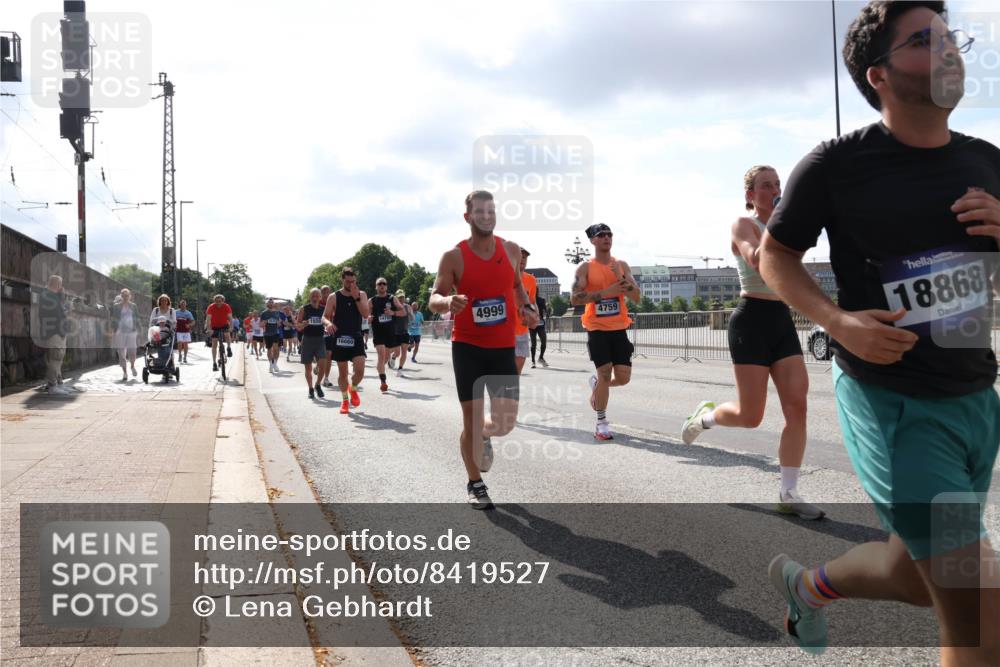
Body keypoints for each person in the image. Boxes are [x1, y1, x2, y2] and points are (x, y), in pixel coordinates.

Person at [758, 2, 1000, 661]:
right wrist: (838, 322)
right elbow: (774, 256)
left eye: (954, 39)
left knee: (917, 576)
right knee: (980, 607)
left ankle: (808, 587)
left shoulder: (987, 162)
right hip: (893, 402)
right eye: (927, 41)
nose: (950, 51)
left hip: (975, 401)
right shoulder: (836, 164)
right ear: (880, 75)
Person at [681, 166, 823, 521]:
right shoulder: (745, 226)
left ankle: (788, 492)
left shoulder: (786, 229)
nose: (774, 189)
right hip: (751, 320)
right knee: (751, 416)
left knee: (798, 409)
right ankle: (706, 417)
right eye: (766, 185)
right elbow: (761, 260)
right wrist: (785, 228)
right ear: (750, 195)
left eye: (778, 184)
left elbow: (795, 276)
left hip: (781, 320)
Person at [429, 190, 537, 509]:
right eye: (480, 211)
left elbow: (516, 287)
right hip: (468, 348)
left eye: (491, 210)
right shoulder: (454, 257)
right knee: (471, 421)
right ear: (468, 217)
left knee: (504, 423)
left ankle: (485, 435)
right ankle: (475, 482)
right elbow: (434, 297)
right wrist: (448, 301)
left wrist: (527, 308)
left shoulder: (512, 250)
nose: (486, 216)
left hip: (503, 347)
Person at [570, 223, 641, 440]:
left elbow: (637, 296)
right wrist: (605, 292)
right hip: (597, 328)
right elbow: (574, 298)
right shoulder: (585, 268)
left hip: (619, 327)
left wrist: (621, 279)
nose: (606, 238)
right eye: (601, 235)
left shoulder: (621, 264)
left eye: (609, 234)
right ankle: (601, 423)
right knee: (604, 372)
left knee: (623, 377)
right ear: (592, 240)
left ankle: (598, 386)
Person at [324, 267, 370, 414]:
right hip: (340, 338)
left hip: (356, 337)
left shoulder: (361, 294)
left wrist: (356, 297)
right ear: (342, 280)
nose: (350, 284)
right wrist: (329, 323)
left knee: (360, 370)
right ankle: (344, 401)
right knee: (343, 374)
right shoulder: (334, 296)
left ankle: (354, 388)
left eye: (353, 281)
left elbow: (365, 314)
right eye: (348, 281)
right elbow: (324, 316)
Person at [295, 288, 333, 399]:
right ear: (310, 297)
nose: (315, 298)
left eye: (317, 296)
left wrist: (328, 325)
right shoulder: (304, 309)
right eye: (313, 296)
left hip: (320, 340)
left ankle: (317, 385)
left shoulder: (324, 309)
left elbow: (328, 321)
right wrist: (303, 324)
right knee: (308, 367)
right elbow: (297, 326)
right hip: (307, 339)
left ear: (320, 297)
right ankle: (310, 388)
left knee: (322, 364)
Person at [368, 278, 404, 392]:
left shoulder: (392, 298)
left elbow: (403, 312)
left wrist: (393, 312)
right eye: (379, 284)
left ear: (386, 286)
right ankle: (383, 382)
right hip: (378, 332)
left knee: (386, 357)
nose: (382, 285)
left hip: (390, 332)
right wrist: (367, 318)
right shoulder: (371, 301)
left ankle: (380, 368)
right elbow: (365, 314)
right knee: (381, 355)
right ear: (376, 287)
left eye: (384, 284)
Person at [39, 274, 70, 394]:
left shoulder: (54, 296)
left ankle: (58, 383)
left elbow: (60, 310)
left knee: (59, 358)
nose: (62, 287)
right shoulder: (46, 295)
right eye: (60, 284)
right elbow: (52, 313)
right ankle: (52, 386)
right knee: (55, 357)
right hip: (53, 331)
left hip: (60, 331)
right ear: (57, 284)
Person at [513, 249, 538, 374]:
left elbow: (532, 301)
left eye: (525, 258)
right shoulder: (504, 277)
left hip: (522, 330)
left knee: (517, 370)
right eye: (520, 257)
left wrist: (535, 316)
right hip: (505, 332)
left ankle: (510, 392)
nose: (522, 260)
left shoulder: (531, 280)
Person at [110, 287, 141, 382]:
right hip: (120, 331)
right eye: (123, 296)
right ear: (121, 296)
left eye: (127, 295)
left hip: (132, 331)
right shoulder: (116, 306)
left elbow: (137, 318)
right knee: (121, 353)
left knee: (133, 352)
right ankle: (125, 373)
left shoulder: (134, 306)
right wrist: (113, 331)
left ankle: (132, 366)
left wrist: (139, 330)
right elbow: (113, 319)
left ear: (130, 296)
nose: (125, 297)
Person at [205, 294, 233, 371]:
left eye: (220, 301)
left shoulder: (226, 306)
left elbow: (230, 318)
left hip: (224, 325)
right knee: (214, 344)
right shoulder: (211, 307)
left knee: (227, 334)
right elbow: (208, 319)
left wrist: (231, 327)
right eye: (216, 301)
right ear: (214, 301)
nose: (218, 303)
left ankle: (229, 347)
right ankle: (214, 363)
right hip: (214, 326)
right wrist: (209, 329)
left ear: (223, 301)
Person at [389, 289, 411, 378]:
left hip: (405, 332)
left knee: (404, 352)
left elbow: (412, 317)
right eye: (400, 297)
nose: (402, 299)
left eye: (403, 297)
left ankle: (400, 369)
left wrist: (411, 315)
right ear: (396, 298)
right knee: (397, 353)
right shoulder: (393, 307)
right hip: (395, 333)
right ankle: (392, 357)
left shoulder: (407, 307)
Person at [259, 299, 284, 373]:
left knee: (276, 348)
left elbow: (279, 324)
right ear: (267, 304)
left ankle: (275, 364)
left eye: (272, 302)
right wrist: (265, 322)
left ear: (273, 304)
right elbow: (261, 325)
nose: (271, 303)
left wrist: (278, 322)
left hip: (276, 333)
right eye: (269, 302)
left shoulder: (276, 313)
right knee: (269, 349)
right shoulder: (264, 313)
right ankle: (270, 365)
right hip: (267, 333)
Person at [530, 295, 548, 368]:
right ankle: (533, 361)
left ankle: (541, 357)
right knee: (533, 343)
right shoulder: (529, 300)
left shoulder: (541, 300)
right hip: (532, 324)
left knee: (544, 340)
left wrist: (547, 313)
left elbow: (545, 309)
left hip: (540, 323)